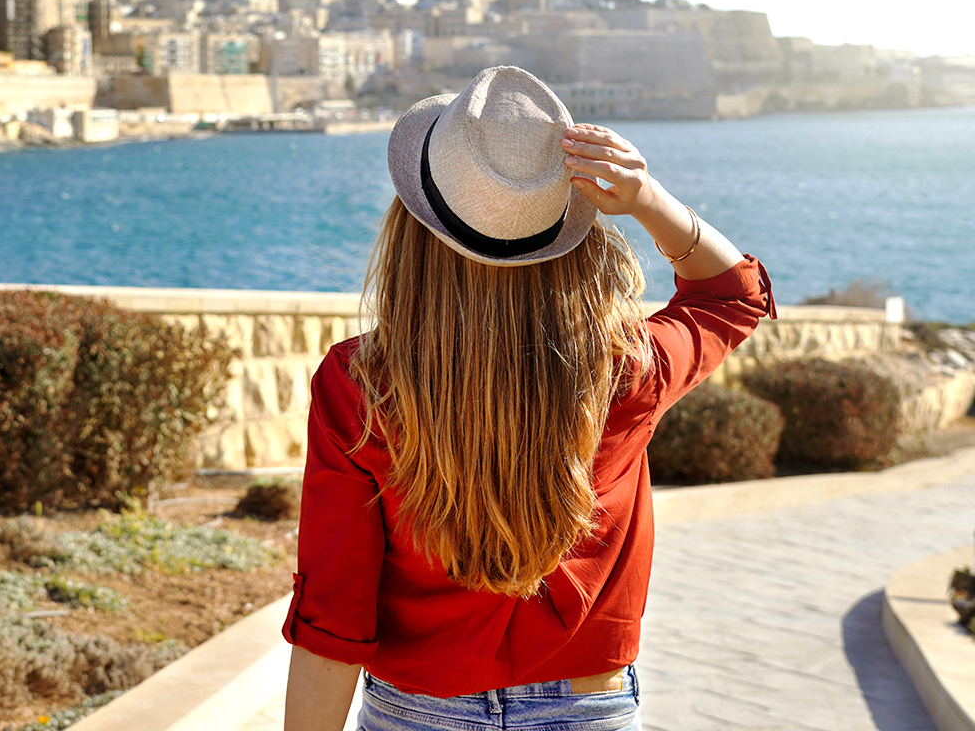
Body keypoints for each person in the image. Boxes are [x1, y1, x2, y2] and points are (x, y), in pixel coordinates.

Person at [282, 66, 775, 731]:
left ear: (413, 232)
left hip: (416, 713)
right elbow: (731, 296)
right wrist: (648, 197)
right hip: (587, 706)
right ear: (573, 235)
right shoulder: (626, 372)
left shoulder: (361, 384)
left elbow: (331, 621)